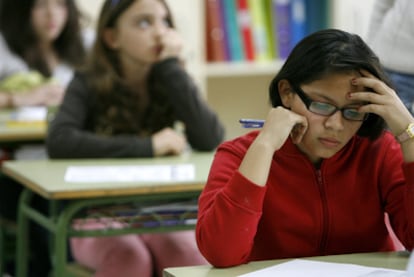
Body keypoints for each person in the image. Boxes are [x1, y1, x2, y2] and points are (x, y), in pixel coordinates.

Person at [196, 29, 414, 267]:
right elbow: (220, 253)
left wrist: (409, 133)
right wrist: (265, 146)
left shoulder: (379, 151)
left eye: (353, 110)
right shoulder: (240, 154)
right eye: (321, 105)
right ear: (287, 93)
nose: (335, 125)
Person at [46, 0, 224, 276]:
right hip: (95, 214)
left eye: (165, 22)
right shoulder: (87, 81)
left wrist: (170, 67)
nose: (160, 33)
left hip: (163, 211)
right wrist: (147, 146)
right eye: (144, 22)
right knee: (128, 257)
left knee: (186, 254)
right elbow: (60, 140)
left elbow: (209, 136)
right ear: (112, 37)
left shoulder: (169, 76)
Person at [0, 0, 91, 275]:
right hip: (18, 159)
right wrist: (19, 97)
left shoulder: (85, 45)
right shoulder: (5, 47)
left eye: (61, 5)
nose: (52, 15)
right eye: (40, 6)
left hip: (74, 154)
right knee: (42, 199)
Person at [367, 0, 414, 114]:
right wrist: (370, 48)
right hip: (390, 65)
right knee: (389, 127)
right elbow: (382, 5)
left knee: (409, 129)